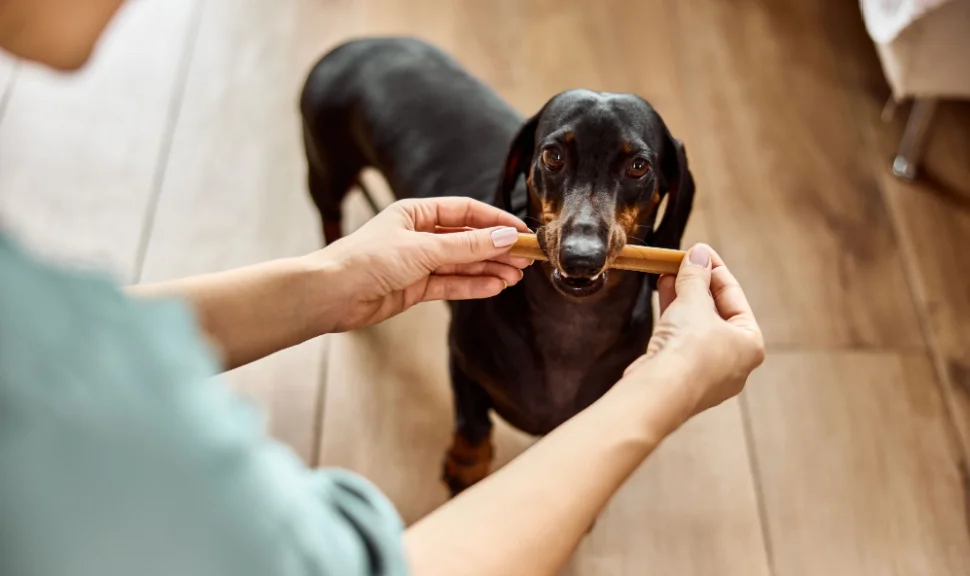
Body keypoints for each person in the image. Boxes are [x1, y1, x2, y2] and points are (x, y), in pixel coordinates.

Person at [0, 1, 766, 575]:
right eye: (558, 164)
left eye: (633, 170)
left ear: (668, 194)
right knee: (331, 187)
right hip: (346, 94)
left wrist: (333, 283)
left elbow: (73, 341)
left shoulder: (38, 336)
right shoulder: (81, 423)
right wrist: (663, 392)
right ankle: (332, 212)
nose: (586, 227)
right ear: (522, 173)